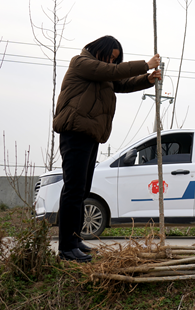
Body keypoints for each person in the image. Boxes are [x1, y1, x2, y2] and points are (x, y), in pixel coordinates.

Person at [52, 36, 162, 262]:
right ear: (98, 51)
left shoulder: (102, 74)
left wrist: (147, 79)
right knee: (73, 190)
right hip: (75, 132)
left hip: (91, 134)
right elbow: (112, 73)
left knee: (82, 191)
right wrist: (145, 64)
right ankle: (66, 248)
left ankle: (74, 241)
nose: (112, 63)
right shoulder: (81, 63)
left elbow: (121, 82)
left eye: (115, 59)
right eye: (110, 57)